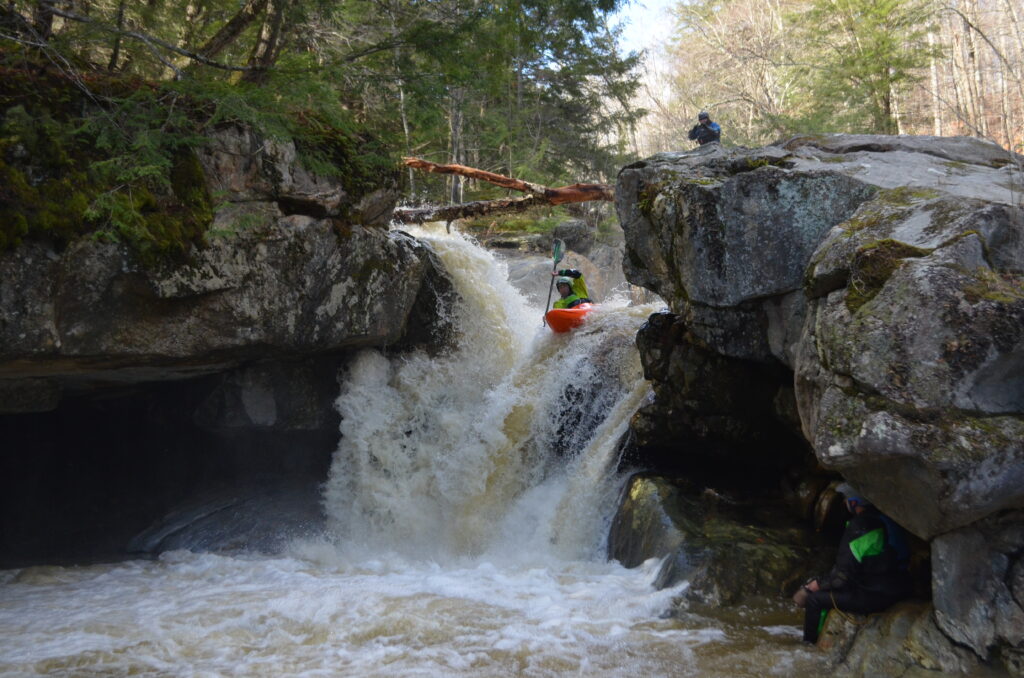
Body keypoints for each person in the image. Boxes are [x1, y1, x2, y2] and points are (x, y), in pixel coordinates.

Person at [793, 482, 912, 644]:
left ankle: (809, 645)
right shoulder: (887, 519)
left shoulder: (860, 526)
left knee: (815, 600)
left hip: (876, 596)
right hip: (896, 588)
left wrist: (813, 586)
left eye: (846, 499)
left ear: (855, 503)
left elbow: (841, 578)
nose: (844, 503)